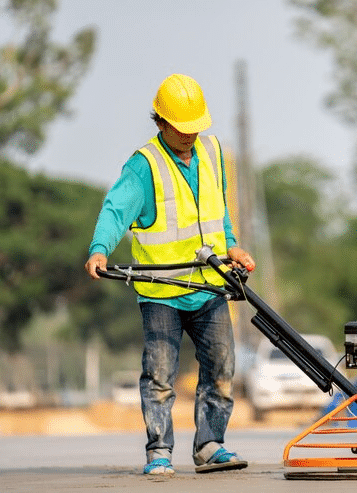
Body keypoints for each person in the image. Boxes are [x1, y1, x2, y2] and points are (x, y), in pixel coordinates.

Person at [84, 74, 255, 476]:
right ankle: (159, 451)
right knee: (160, 373)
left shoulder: (212, 153)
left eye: (197, 127)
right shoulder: (144, 166)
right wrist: (99, 249)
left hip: (209, 285)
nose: (191, 135)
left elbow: (220, 216)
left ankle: (211, 445)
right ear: (160, 122)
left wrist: (233, 246)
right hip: (161, 291)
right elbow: (115, 210)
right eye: (183, 128)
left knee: (222, 368)